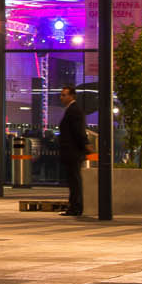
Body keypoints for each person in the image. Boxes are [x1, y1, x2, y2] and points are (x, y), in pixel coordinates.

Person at [57, 85, 89, 216]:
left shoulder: (74, 111)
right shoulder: (71, 110)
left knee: (74, 180)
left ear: (72, 96)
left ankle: (76, 207)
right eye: (61, 95)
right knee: (73, 180)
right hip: (72, 151)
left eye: (64, 95)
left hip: (73, 152)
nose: (61, 97)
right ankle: (74, 206)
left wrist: (85, 145)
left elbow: (78, 131)